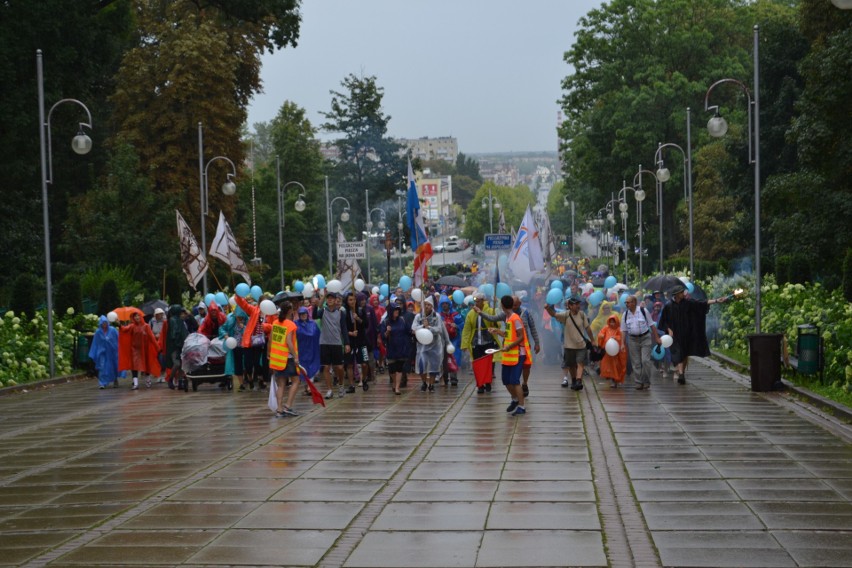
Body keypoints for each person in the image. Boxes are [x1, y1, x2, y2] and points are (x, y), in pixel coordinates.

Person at [658, 284, 727, 385]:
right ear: (676, 294)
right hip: (675, 335)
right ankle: (681, 374)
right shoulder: (668, 306)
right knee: (679, 353)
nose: (684, 293)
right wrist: (668, 329)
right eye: (681, 292)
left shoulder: (688, 303)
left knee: (685, 353)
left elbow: (701, 303)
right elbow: (663, 321)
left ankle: (682, 373)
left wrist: (716, 300)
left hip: (687, 333)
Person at [473, 295, 540, 397]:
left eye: (515, 305)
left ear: (520, 304)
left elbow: (533, 328)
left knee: (526, 366)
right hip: (510, 346)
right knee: (512, 375)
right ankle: (516, 396)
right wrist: (480, 312)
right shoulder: (506, 314)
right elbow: (492, 318)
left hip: (523, 347)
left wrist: (537, 343)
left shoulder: (525, 313)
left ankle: (524, 383)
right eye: (512, 305)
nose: (513, 307)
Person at [490, 295, 529, 416]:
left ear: (502, 305)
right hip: (508, 355)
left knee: (515, 381)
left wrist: (510, 346)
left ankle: (522, 407)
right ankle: (515, 399)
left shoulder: (515, 318)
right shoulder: (508, 318)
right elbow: (508, 335)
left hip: (517, 354)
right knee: (506, 380)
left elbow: (521, 336)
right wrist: (497, 332)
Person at [545, 297, 593, 391]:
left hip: (581, 345)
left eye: (578, 304)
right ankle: (574, 380)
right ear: (570, 306)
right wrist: (547, 308)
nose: (578, 306)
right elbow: (554, 315)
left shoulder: (582, 315)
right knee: (571, 365)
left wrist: (592, 340)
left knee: (580, 363)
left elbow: (587, 328)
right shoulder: (565, 315)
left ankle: (579, 380)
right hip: (569, 346)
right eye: (575, 304)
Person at [312, 292, 350, 399]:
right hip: (324, 343)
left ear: (335, 300)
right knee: (326, 367)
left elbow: (344, 329)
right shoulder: (323, 311)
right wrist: (316, 304)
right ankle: (329, 390)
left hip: (337, 343)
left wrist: (347, 343)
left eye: (332, 298)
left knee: (339, 367)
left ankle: (341, 385)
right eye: (328, 298)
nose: (330, 300)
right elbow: (314, 315)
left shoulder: (340, 313)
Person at [461, 292, 499, 394]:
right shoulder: (471, 313)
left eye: (478, 301)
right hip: (476, 342)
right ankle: (480, 385)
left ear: (483, 301)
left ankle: (488, 384)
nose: (476, 303)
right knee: (477, 364)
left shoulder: (491, 311)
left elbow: (498, 324)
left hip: (488, 341)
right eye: (475, 301)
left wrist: (495, 323)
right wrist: (464, 344)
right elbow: (467, 329)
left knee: (488, 364)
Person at [268, 300, 300, 417]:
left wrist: (269, 354)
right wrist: (296, 357)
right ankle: (288, 406)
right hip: (288, 358)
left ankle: (279, 409)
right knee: (296, 381)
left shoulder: (275, 323)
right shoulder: (290, 324)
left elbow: (271, 340)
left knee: (281, 385)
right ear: (290, 311)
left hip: (277, 358)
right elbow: (289, 343)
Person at [621, 295, 661, 390]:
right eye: (625, 302)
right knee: (636, 362)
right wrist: (622, 343)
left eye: (628, 302)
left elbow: (652, 325)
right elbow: (623, 330)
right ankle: (638, 382)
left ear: (634, 302)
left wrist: (657, 338)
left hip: (645, 338)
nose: (626, 304)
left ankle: (646, 381)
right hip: (632, 339)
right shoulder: (625, 314)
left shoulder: (643, 311)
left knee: (645, 360)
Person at [411, 297, 447, 392]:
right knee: (421, 365)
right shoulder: (418, 317)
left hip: (435, 345)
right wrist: (423, 326)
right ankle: (424, 382)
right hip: (422, 346)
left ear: (432, 306)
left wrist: (429, 327)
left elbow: (439, 329)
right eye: (425, 304)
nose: (426, 306)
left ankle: (431, 384)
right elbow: (413, 328)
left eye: (428, 305)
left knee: (434, 366)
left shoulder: (437, 316)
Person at [118, 312, 161, 390]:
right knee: (134, 366)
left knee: (146, 365)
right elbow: (124, 329)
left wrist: (157, 347)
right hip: (135, 350)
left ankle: (148, 380)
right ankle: (135, 383)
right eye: (135, 316)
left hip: (145, 349)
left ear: (141, 317)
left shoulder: (146, 326)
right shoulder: (132, 326)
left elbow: (151, 337)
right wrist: (119, 324)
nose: (137, 317)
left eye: (138, 316)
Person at [380, 303, 409, 395]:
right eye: (395, 310)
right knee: (392, 369)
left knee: (399, 368)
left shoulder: (402, 320)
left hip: (401, 347)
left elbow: (408, 330)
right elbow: (383, 337)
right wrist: (387, 332)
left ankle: (397, 387)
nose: (397, 311)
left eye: (398, 310)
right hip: (391, 347)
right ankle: (394, 382)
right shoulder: (385, 322)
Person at [344, 292, 370, 392]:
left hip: (362, 341)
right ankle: (351, 385)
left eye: (354, 300)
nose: (352, 302)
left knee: (364, 363)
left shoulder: (360, 310)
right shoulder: (344, 312)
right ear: (347, 301)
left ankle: (364, 379)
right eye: (350, 300)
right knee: (349, 364)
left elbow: (366, 324)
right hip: (350, 341)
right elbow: (342, 328)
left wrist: (358, 318)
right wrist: (350, 333)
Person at [437, 294, 462, 386]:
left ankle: (454, 377)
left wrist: (457, 326)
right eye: (442, 304)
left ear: (449, 304)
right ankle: (444, 377)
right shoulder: (439, 316)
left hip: (454, 339)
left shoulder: (455, 315)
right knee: (443, 358)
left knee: (454, 358)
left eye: (446, 304)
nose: (444, 305)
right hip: (442, 340)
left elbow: (462, 325)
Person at [89, 315, 119, 389]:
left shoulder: (112, 330)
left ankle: (115, 380)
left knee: (113, 366)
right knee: (102, 367)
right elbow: (95, 343)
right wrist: (94, 352)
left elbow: (118, 339)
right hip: (102, 352)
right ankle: (102, 383)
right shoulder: (98, 332)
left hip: (112, 352)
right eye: (103, 323)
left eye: (106, 322)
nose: (104, 324)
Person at [597, 313, 627, 388]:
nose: (612, 323)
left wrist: (615, 338)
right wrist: (601, 336)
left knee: (616, 366)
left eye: (613, 322)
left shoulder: (619, 329)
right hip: (607, 352)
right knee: (608, 366)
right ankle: (612, 378)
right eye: (611, 322)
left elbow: (621, 338)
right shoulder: (606, 328)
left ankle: (615, 380)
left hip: (617, 353)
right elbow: (600, 334)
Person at [164, 304, 189, 389]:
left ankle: (180, 381)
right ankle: (171, 379)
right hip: (174, 346)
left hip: (181, 344)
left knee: (182, 364)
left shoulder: (179, 320)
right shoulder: (172, 320)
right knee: (177, 363)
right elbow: (174, 333)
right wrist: (178, 341)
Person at [295, 306, 321, 382]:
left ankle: (310, 385)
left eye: (305, 313)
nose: (303, 315)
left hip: (312, 349)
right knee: (303, 367)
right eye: (301, 314)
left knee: (312, 366)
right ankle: (308, 385)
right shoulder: (295, 324)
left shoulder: (313, 324)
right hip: (301, 350)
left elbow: (318, 335)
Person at [149, 307, 167, 383]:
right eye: (158, 314)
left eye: (161, 314)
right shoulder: (152, 322)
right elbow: (149, 331)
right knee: (157, 359)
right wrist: (154, 335)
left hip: (163, 343)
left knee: (162, 359)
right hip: (155, 343)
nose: (159, 315)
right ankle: (159, 374)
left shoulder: (165, 321)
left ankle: (163, 374)